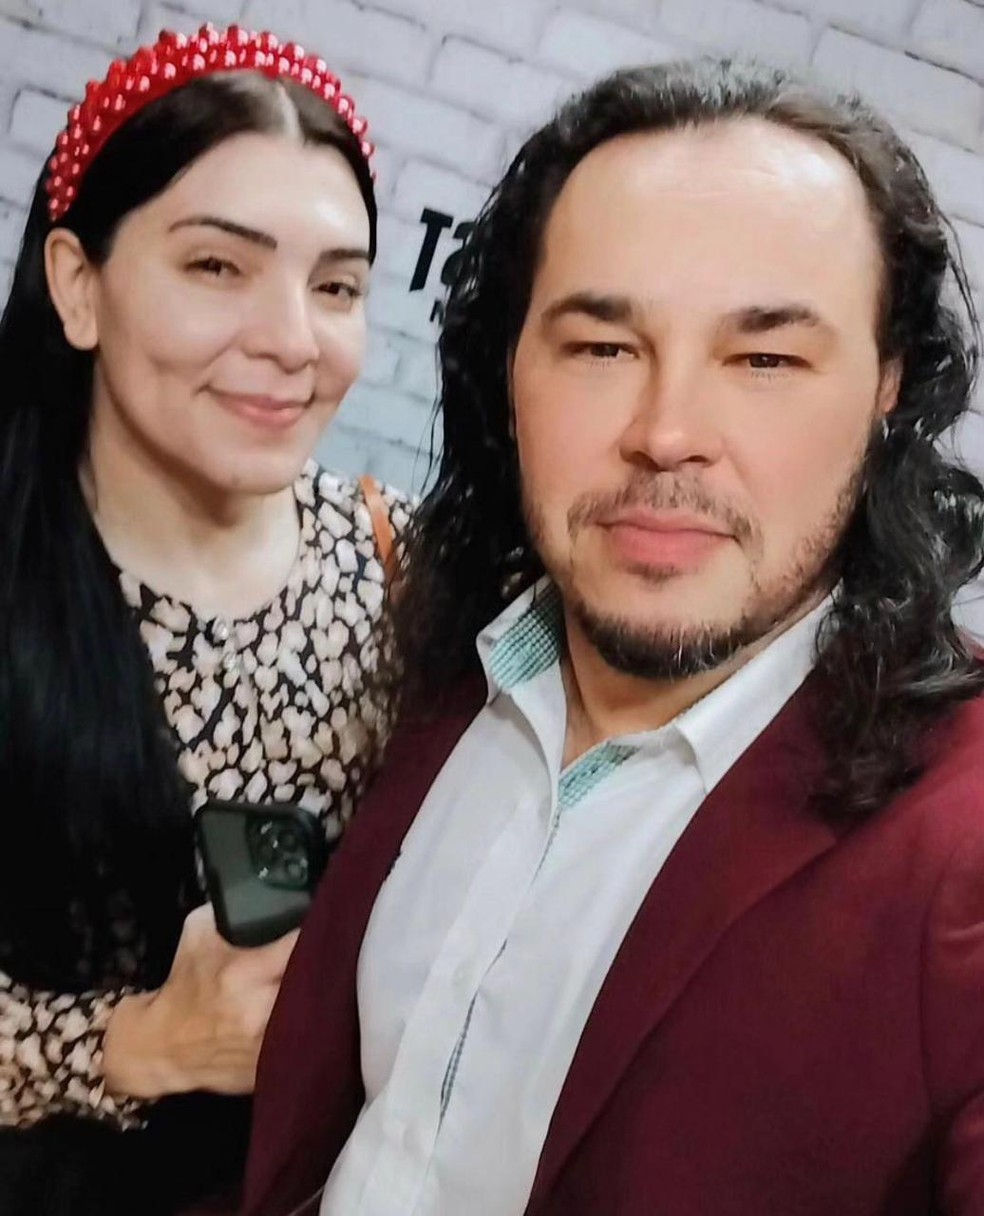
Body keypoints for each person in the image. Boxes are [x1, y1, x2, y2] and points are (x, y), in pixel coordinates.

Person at [244, 57, 984, 1216]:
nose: (667, 431)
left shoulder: (959, 839)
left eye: (765, 359)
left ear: (888, 387)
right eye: (601, 347)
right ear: (512, 369)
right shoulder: (460, 664)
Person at [0, 22, 407, 1216]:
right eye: (218, 267)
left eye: (336, 286)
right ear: (78, 285)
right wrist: (142, 1041)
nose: (291, 340)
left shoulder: (398, 562)